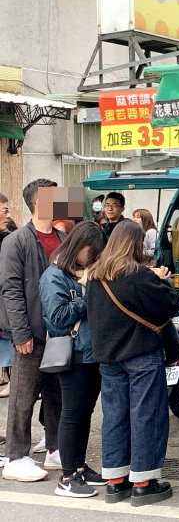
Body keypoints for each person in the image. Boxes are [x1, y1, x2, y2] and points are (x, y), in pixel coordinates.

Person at [84, 221, 179, 506]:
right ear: (136, 244)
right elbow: (169, 304)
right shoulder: (138, 274)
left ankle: (115, 481)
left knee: (114, 417)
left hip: (108, 359)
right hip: (140, 356)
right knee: (146, 415)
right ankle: (143, 482)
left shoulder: (95, 276)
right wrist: (161, 279)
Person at [0, 179, 65, 482]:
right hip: (31, 333)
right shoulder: (17, 241)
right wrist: (20, 333)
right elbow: (10, 290)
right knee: (23, 396)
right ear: (39, 202)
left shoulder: (63, 237)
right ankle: (16, 456)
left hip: (60, 332)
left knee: (57, 394)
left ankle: (54, 448)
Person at [40, 221, 107, 497]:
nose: (93, 259)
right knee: (71, 414)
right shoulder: (54, 275)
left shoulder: (82, 273)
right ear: (77, 247)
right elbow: (56, 318)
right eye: (90, 253)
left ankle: (79, 466)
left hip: (92, 353)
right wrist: (87, 294)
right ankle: (67, 477)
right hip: (73, 353)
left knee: (84, 413)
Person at [0, 192, 13, 397]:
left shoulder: (10, 237)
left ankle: (11, 379)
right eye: (4, 209)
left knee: (9, 335)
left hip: (6, 293)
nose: (7, 213)